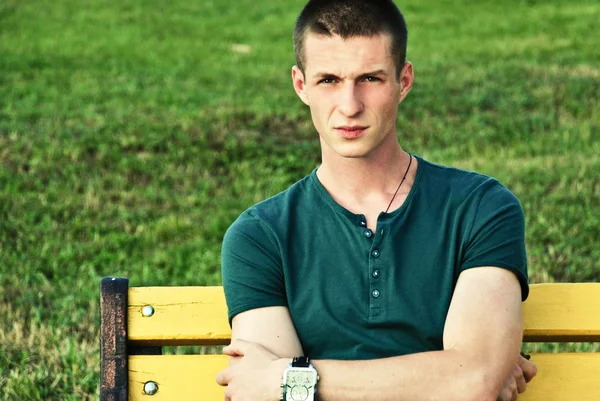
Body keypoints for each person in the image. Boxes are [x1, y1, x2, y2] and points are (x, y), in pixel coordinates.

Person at [216, 1, 538, 400]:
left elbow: (474, 380)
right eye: (329, 80)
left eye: (369, 78)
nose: (349, 106)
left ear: (404, 80)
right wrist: (450, 375)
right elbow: (259, 393)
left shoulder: (480, 207)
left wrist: (295, 380)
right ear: (301, 85)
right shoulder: (261, 236)